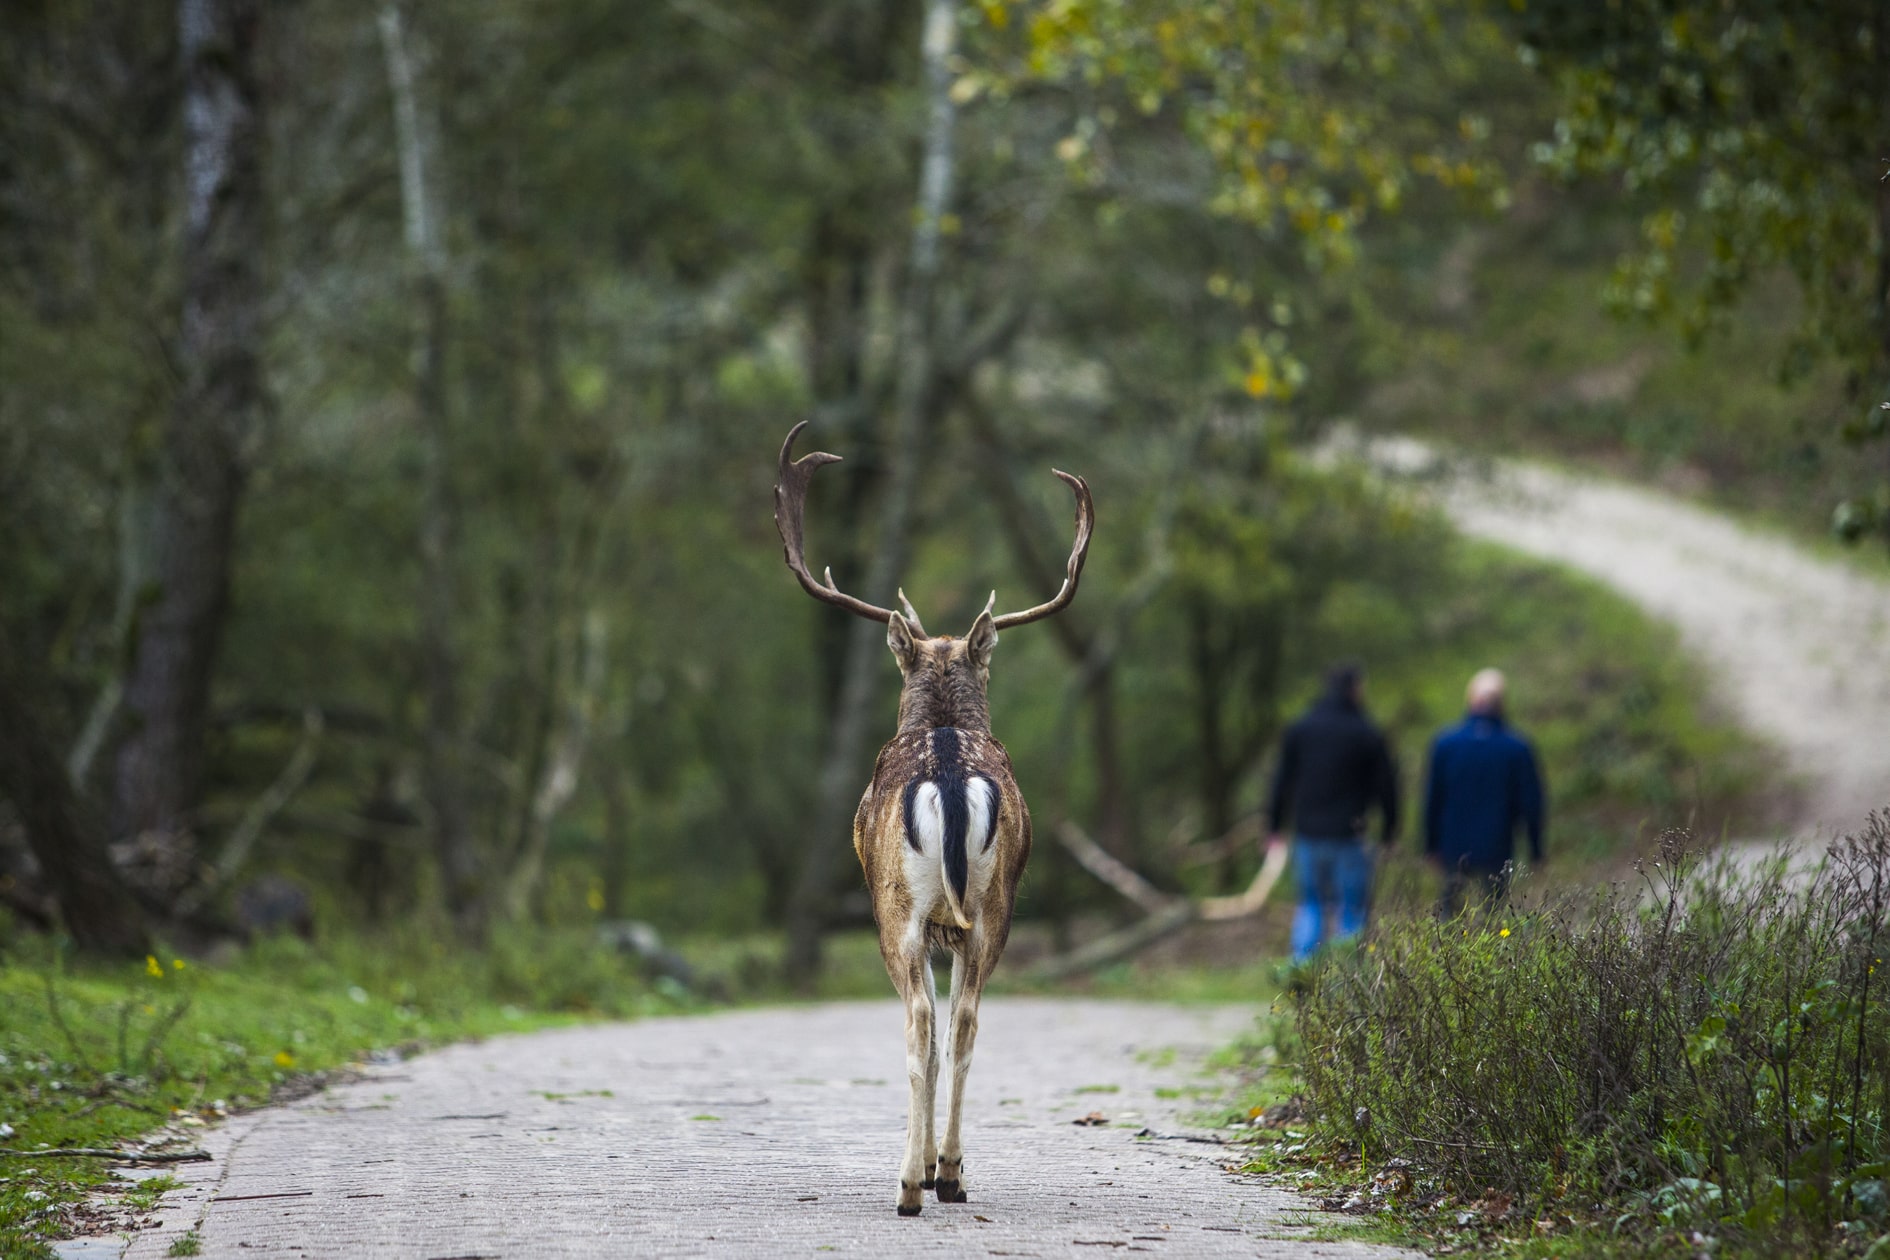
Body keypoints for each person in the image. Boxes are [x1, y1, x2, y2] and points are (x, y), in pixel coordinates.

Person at [1265, 663, 1400, 961]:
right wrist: (1390, 831)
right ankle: (1348, 991)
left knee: (1310, 905)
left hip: (1308, 834)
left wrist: (1274, 826)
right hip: (1350, 835)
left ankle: (1301, 976)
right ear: (1354, 689)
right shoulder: (1365, 732)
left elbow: (1281, 781)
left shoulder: (1301, 729)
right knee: (1351, 910)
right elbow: (1387, 786)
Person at [1422, 668, 1545, 917]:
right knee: (1494, 914)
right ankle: (1493, 953)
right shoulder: (1517, 747)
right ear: (1502, 703)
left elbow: (1433, 798)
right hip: (1498, 844)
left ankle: (1448, 954)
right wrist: (1535, 848)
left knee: (1449, 913)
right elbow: (1531, 802)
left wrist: (1430, 844)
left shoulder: (1446, 743)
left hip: (1452, 845)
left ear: (1471, 700)